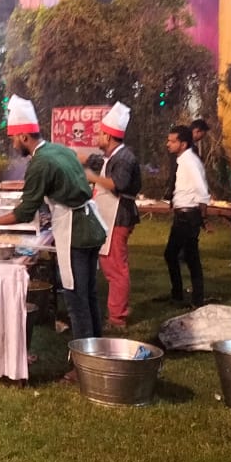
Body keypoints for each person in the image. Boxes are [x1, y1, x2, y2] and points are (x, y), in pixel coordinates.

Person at [0, 95, 108, 345]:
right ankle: (97, 349)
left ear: (24, 136)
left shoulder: (40, 163)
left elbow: (24, 213)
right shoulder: (58, 149)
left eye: (13, 138)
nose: (13, 143)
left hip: (76, 231)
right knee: (89, 294)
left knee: (76, 299)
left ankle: (86, 359)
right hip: (91, 227)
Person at [85, 102, 140, 329]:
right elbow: (90, 160)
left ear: (108, 136)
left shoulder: (124, 158)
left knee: (115, 268)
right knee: (110, 265)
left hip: (119, 216)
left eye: (100, 133)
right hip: (110, 216)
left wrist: (92, 178)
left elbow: (119, 184)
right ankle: (117, 311)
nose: (97, 137)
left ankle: (117, 317)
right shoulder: (111, 156)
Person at [163, 124, 211, 308]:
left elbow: (202, 190)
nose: (168, 144)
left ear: (183, 144)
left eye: (172, 141)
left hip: (189, 215)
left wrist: (203, 218)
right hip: (183, 213)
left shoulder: (190, 161)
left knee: (188, 257)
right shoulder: (182, 160)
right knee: (176, 255)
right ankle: (180, 295)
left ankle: (193, 298)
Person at [191, 117, 231, 199]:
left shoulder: (189, 146)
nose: (201, 138)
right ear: (197, 131)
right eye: (202, 135)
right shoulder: (189, 148)